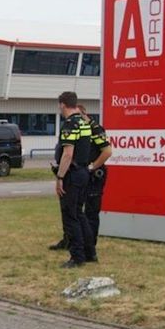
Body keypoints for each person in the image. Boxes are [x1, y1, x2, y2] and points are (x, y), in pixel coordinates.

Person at [48, 106, 112, 258]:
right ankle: (71, 240)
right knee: (74, 211)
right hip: (80, 173)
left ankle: (89, 247)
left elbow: (107, 151)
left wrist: (91, 167)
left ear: (84, 113)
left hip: (92, 174)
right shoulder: (79, 128)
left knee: (88, 212)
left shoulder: (94, 128)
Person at [54, 91, 93, 268]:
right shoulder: (84, 123)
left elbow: (68, 154)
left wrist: (60, 177)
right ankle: (90, 252)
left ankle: (77, 257)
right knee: (79, 214)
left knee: (71, 216)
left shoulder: (70, 124)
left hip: (73, 174)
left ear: (62, 104)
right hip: (85, 172)